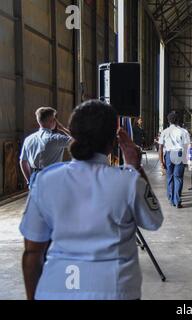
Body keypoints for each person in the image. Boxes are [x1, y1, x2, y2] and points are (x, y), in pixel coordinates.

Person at [19, 100, 163, 300]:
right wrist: (135, 166)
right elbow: (154, 221)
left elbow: (32, 254)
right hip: (114, 291)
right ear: (113, 141)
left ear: (73, 135)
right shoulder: (128, 181)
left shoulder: (45, 182)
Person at [20, 107, 72, 185]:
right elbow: (79, 140)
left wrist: (29, 181)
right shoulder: (56, 138)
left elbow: (23, 162)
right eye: (55, 119)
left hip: (35, 178)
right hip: (52, 178)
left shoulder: (28, 139)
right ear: (52, 121)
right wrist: (63, 128)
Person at [159, 111, 191, 209]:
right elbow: (187, 146)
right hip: (179, 154)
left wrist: (161, 161)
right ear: (177, 120)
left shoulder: (164, 132)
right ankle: (177, 201)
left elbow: (160, 147)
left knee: (170, 177)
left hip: (168, 155)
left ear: (168, 121)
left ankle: (170, 199)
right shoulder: (184, 131)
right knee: (178, 178)